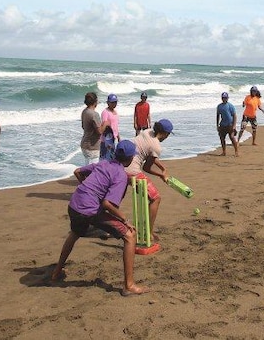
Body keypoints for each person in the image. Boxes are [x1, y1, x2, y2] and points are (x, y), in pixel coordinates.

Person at [50, 139, 148, 295]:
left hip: (74, 204)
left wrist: (89, 191)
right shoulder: (120, 175)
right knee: (130, 235)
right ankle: (129, 285)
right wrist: (125, 220)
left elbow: (78, 172)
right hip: (89, 210)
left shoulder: (103, 163)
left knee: (75, 233)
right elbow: (107, 204)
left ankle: (56, 272)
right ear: (130, 159)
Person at [125, 119, 174, 243]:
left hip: (120, 165)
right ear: (165, 133)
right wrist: (161, 175)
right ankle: (149, 232)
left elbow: (149, 154)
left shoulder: (146, 132)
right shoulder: (156, 146)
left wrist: (163, 168)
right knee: (155, 198)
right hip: (132, 171)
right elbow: (147, 167)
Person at [80, 92, 102, 165]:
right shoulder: (94, 114)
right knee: (92, 170)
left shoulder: (84, 111)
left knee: (88, 166)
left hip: (84, 144)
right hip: (92, 146)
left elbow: (83, 126)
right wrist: (106, 124)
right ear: (95, 102)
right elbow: (100, 131)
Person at [216, 92, 239, 156]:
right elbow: (218, 116)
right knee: (222, 138)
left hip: (230, 125)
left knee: (232, 137)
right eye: (223, 98)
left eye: (225, 98)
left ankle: (236, 151)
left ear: (228, 98)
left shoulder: (230, 106)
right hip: (223, 125)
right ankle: (224, 152)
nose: (224, 99)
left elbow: (234, 116)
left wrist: (234, 126)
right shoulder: (219, 106)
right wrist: (217, 125)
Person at [99, 94, 121, 160]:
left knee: (112, 158)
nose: (114, 104)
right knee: (105, 158)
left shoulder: (115, 112)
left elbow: (115, 126)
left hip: (113, 139)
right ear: (108, 102)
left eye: (115, 102)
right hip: (106, 140)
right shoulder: (105, 112)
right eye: (112, 102)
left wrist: (118, 137)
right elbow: (104, 126)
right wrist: (107, 142)